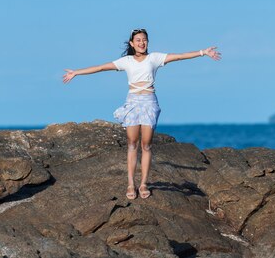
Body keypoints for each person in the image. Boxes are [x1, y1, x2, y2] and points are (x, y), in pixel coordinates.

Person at [63, 28, 221, 200]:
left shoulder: (154, 58)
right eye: (138, 40)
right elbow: (101, 67)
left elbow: (179, 56)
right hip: (132, 102)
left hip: (149, 102)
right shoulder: (127, 61)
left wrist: (202, 52)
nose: (141, 42)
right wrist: (76, 72)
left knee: (146, 145)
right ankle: (131, 184)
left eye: (144, 39)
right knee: (132, 143)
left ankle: (144, 183)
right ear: (132, 43)